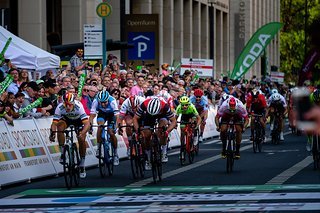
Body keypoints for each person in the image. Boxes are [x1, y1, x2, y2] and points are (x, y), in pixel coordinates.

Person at [49, 92, 90, 178]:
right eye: (65, 105)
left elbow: (87, 124)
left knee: (82, 139)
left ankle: (82, 164)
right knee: (60, 128)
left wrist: (82, 133)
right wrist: (52, 133)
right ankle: (63, 152)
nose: (67, 107)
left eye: (70, 105)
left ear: (73, 103)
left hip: (78, 120)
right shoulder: (60, 107)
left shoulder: (79, 107)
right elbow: (54, 123)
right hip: (67, 119)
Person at [133, 97, 177, 170]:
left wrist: (167, 131)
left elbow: (174, 121)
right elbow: (135, 118)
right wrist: (138, 130)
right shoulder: (144, 104)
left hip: (162, 116)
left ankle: (164, 151)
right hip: (148, 116)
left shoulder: (165, 106)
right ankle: (148, 159)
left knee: (161, 131)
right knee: (146, 135)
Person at [89, 90, 120, 166]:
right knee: (100, 127)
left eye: (105, 102)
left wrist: (116, 127)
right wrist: (90, 125)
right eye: (101, 103)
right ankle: (99, 148)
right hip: (102, 114)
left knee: (111, 132)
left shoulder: (112, 101)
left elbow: (117, 116)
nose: (103, 104)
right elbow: (92, 116)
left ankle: (115, 154)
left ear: (107, 100)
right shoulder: (96, 101)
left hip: (111, 115)